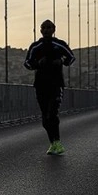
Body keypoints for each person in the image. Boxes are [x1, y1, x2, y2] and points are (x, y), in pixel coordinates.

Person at [23, 19, 75, 155]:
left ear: (54, 29)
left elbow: (71, 58)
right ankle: (52, 143)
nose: (46, 30)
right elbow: (27, 63)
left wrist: (62, 61)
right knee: (45, 118)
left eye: (49, 27)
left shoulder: (60, 44)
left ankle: (57, 142)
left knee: (52, 113)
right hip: (40, 85)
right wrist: (38, 63)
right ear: (40, 30)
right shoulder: (36, 46)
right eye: (44, 27)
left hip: (56, 84)